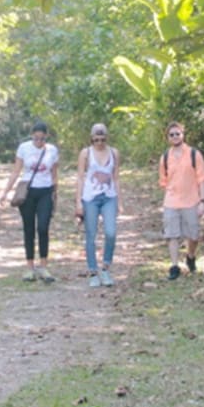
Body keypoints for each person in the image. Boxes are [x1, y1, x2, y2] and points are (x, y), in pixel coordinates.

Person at [0, 121, 59, 283]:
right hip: (27, 192)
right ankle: (30, 267)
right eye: (36, 138)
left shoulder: (52, 150)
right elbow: (16, 171)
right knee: (29, 229)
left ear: (46, 136)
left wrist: (55, 193)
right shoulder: (24, 148)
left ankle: (44, 266)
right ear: (32, 136)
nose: (39, 141)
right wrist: (5, 192)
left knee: (43, 227)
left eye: (42, 138)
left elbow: (54, 174)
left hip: (45, 191)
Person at [158, 122, 204, 281]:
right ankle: (174, 266)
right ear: (167, 138)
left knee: (193, 235)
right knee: (172, 235)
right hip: (171, 201)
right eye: (171, 134)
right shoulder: (165, 157)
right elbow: (163, 181)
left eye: (177, 133)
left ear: (183, 134)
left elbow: (202, 179)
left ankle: (190, 256)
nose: (175, 137)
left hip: (191, 200)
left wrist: (202, 201)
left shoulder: (194, 154)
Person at [75, 123, 121, 288]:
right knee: (91, 234)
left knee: (111, 232)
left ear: (106, 139)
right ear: (91, 139)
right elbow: (80, 177)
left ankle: (106, 267)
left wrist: (120, 202)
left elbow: (115, 177)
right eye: (96, 140)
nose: (99, 143)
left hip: (109, 196)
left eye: (102, 139)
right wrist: (78, 202)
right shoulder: (86, 153)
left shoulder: (114, 153)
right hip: (90, 197)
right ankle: (93, 271)